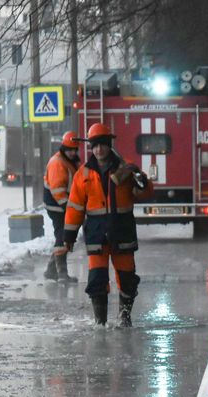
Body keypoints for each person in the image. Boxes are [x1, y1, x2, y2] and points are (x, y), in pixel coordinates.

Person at [63, 122, 154, 326]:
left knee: (127, 279)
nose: (98, 149)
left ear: (109, 145)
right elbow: (75, 207)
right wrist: (68, 236)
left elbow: (145, 193)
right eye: (94, 146)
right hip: (97, 235)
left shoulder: (126, 168)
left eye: (102, 145)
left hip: (122, 232)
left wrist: (142, 181)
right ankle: (100, 322)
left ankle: (124, 317)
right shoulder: (83, 174)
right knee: (97, 280)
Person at [42, 131, 81, 282]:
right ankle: (62, 274)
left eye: (74, 149)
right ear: (63, 148)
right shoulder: (57, 162)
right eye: (69, 149)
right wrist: (67, 206)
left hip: (63, 205)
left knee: (63, 235)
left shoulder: (68, 161)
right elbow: (57, 189)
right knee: (62, 236)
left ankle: (51, 270)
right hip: (57, 206)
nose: (72, 152)